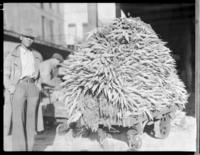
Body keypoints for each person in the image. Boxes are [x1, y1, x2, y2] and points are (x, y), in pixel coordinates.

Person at [4, 28, 43, 151]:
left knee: (31, 122)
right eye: (26, 37)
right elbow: (5, 74)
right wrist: (11, 87)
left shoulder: (36, 55)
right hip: (19, 86)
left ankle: (29, 149)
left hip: (32, 87)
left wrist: (38, 86)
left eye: (31, 38)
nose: (29, 40)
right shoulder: (12, 54)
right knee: (18, 121)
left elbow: (39, 74)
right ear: (20, 37)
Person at [37, 53, 64, 129]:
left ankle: (47, 120)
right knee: (46, 102)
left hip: (40, 87)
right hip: (38, 87)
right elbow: (46, 80)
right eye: (59, 63)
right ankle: (43, 123)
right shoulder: (47, 65)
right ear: (56, 60)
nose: (58, 65)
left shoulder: (46, 63)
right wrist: (58, 85)